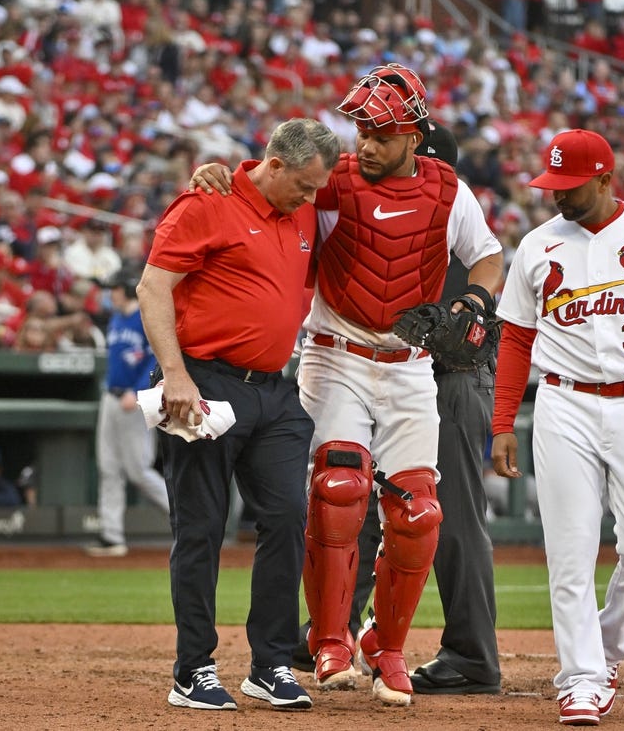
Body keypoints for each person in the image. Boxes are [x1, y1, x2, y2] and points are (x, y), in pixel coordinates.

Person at [191, 65, 504, 707]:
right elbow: (268, 183)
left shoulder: (450, 190)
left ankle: (385, 646)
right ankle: (329, 637)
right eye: (361, 129)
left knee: (419, 511)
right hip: (335, 354)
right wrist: (218, 176)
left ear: (415, 134)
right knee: (339, 488)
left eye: (381, 133)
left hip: (411, 363)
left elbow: (489, 256)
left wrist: (472, 303)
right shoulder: (329, 184)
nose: (365, 143)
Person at [490, 129, 624, 726]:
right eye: (552, 184)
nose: (558, 195)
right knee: (570, 550)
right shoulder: (536, 246)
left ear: (606, 179)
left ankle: (608, 646)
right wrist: (502, 421)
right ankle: (581, 678)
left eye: (571, 185)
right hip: (562, 405)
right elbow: (514, 340)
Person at [137, 117, 340, 714]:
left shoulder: (298, 204)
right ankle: (192, 669)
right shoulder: (208, 200)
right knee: (200, 528)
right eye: (303, 186)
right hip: (204, 379)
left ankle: (271, 663)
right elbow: (153, 288)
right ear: (273, 164)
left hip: (275, 392)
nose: (311, 199)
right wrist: (176, 376)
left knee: (285, 517)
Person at [85, 268, 170, 558]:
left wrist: (137, 389)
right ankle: (111, 536)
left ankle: (188, 519)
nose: (110, 293)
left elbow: (157, 356)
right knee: (108, 468)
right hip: (112, 396)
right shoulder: (117, 318)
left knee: (138, 470)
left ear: (127, 289)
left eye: (114, 288)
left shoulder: (144, 316)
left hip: (136, 398)